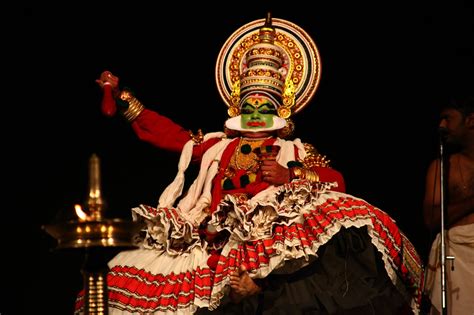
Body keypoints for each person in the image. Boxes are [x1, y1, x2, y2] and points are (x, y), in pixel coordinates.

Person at [75, 14, 424, 314]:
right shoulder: (217, 146)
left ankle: (260, 288)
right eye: (249, 107)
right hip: (211, 237)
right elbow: (173, 137)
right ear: (237, 108)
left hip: (263, 236)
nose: (255, 115)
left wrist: (291, 175)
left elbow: (336, 181)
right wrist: (124, 98)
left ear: (279, 111)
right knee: (123, 276)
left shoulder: (294, 150)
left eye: (264, 108)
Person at [422, 94, 474, 315]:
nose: (441, 125)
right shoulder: (442, 166)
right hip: (456, 262)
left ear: (470, 120)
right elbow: (432, 219)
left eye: (447, 118)